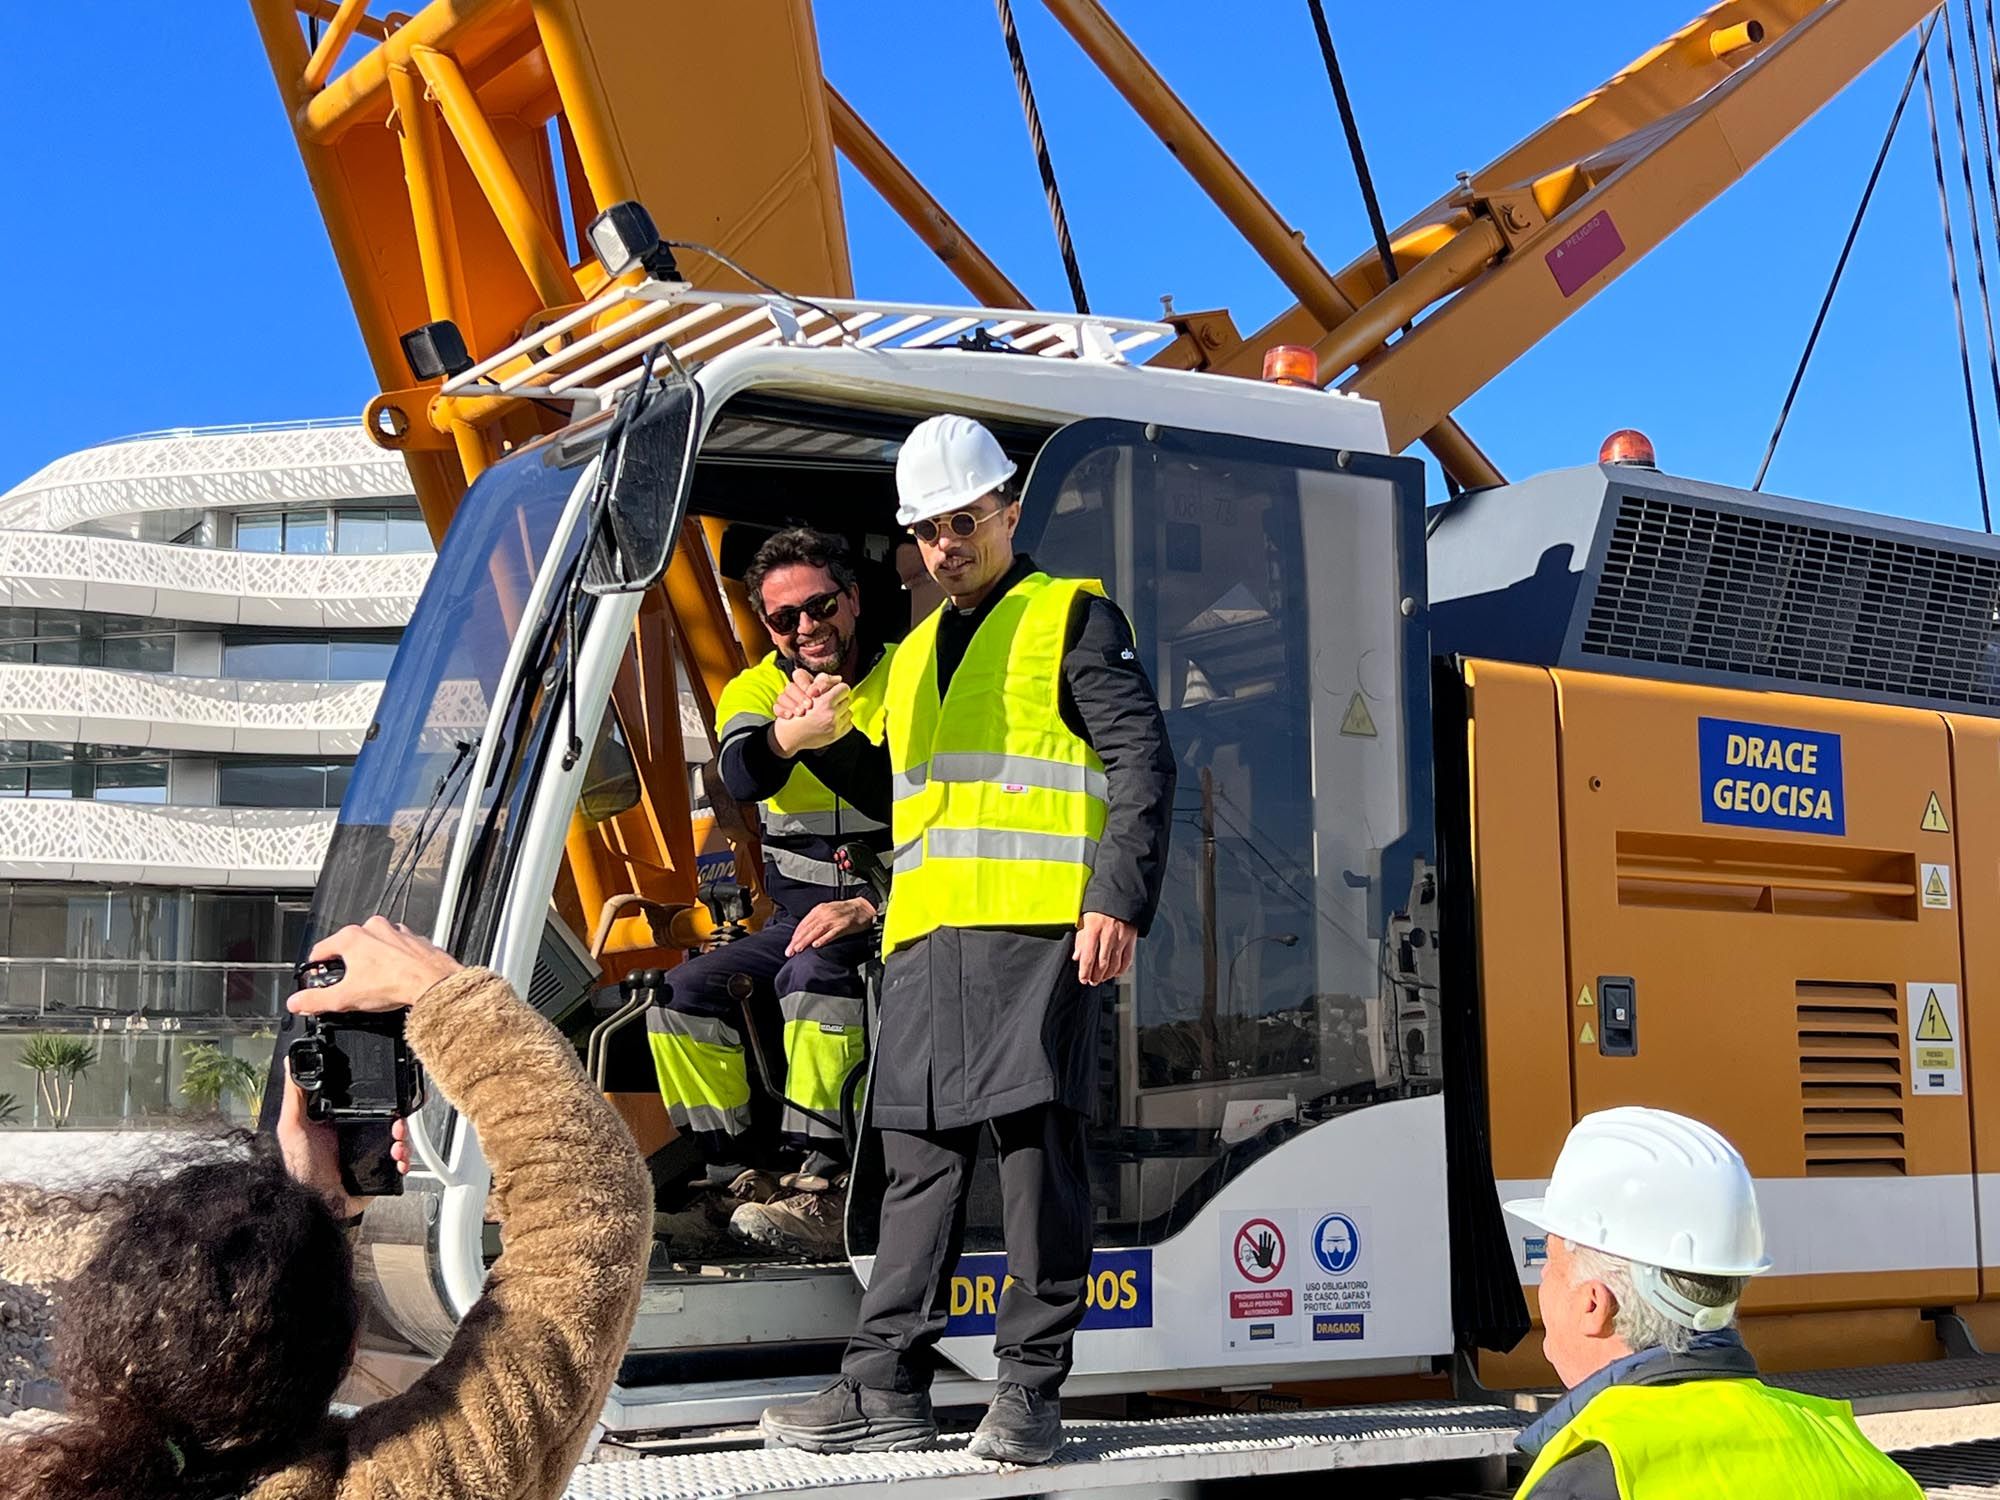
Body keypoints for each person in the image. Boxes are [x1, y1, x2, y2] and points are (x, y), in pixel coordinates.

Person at [759, 414, 1176, 1464]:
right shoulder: (907, 659)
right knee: (915, 1162)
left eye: (964, 520)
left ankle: (1029, 1392)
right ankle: (882, 1387)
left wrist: (1115, 899)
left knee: (1035, 1158)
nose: (947, 544)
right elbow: (900, 800)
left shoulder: (1068, 617)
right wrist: (824, 741)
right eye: (928, 530)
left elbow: (1141, 763)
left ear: (1006, 511)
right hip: (929, 939)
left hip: (1036, 931)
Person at [0, 915, 653, 1500]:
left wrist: (321, 1223)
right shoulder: (406, 1482)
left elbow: (580, 1227)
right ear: (346, 1349)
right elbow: (588, 1222)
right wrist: (450, 999)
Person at [648, 527, 893, 1260]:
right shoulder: (756, 688)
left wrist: (874, 903)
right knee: (683, 990)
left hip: (895, 904)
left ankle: (827, 1184)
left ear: (851, 600)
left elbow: (898, 792)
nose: (806, 629)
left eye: (820, 607)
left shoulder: (908, 671)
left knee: (812, 975)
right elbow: (745, 777)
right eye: (784, 619)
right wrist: (793, 738)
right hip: (796, 911)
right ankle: (731, 1174)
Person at [1504, 1107, 1919, 1499]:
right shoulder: (1854, 1456)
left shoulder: (1583, 1481)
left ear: (1594, 1306)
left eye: (1549, 1261)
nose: (1541, 1280)